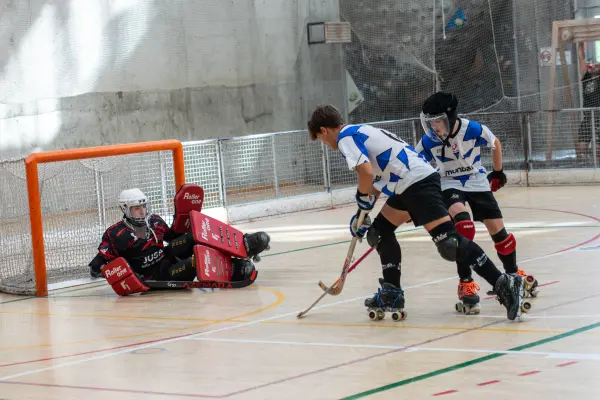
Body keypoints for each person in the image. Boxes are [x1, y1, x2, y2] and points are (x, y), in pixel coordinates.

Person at [307, 104, 529, 321]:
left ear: (324, 130)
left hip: (417, 183)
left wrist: (363, 201)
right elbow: (375, 178)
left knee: (449, 242)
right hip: (407, 186)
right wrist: (362, 214)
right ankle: (392, 291)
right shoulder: (359, 131)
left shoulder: (345, 138)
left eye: (322, 139)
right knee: (379, 232)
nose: (326, 143)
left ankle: (504, 283)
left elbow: (364, 172)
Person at [415, 92, 538, 311]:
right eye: (431, 122)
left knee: (501, 235)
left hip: (476, 180)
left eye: (438, 121)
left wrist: (498, 172)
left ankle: (512, 275)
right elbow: (414, 164)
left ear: (451, 118)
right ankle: (466, 283)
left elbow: (495, 143)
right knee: (463, 228)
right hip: (448, 183)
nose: (434, 127)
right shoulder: (428, 141)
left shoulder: (472, 129)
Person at [89, 188, 263, 287]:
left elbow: (173, 237)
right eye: (136, 208)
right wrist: (125, 276)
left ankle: (242, 244)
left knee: (191, 237)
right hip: (157, 277)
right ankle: (232, 271)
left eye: (144, 206)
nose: (142, 211)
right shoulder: (116, 234)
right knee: (194, 262)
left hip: (167, 258)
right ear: (125, 209)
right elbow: (97, 267)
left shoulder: (155, 221)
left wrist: (181, 219)